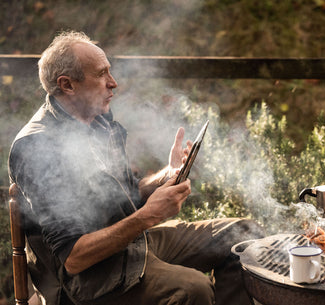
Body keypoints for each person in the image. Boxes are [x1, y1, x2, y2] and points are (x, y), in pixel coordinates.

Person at [8, 31, 264, 305]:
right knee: (193, 288)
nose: (113, 83)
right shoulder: (38, 147)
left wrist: (166, 175)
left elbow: (126, 193)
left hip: (130, 245)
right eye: (101, 74)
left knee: (245, 238)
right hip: (84, 281)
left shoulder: (97, 121)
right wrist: (147, 216)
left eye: (110, 72)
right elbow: (73, 258)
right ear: (67, 85)